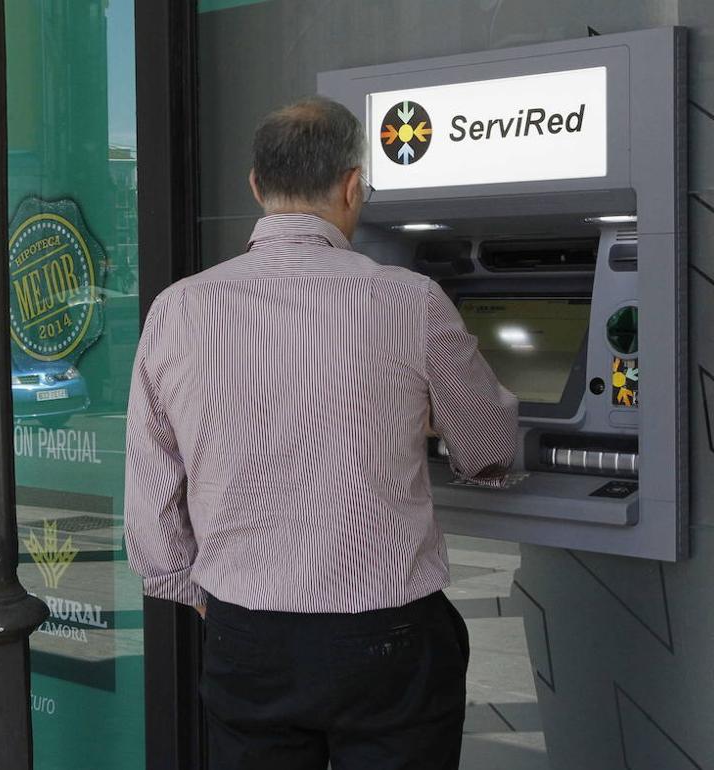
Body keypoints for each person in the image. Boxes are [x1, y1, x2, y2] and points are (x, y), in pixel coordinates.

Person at [124, 97, 518, 769]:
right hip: (387, 639)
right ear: (353, 185)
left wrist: (204, 598)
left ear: (255, 185)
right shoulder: (408, 300)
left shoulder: (178, 310)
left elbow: (151, 494)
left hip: (247, 637)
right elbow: (489, 445)